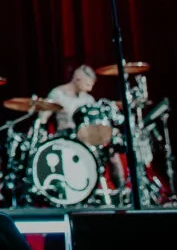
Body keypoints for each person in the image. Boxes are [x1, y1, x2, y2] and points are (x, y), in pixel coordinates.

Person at [47, 64, 126, 196]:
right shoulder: (58, 94)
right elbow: (43, 116)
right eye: (87, 85)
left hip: (87, 139)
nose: (90, 89)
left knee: (112, 150)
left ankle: (122, 192)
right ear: (77, 78)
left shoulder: (88, 99)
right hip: (65, 138)